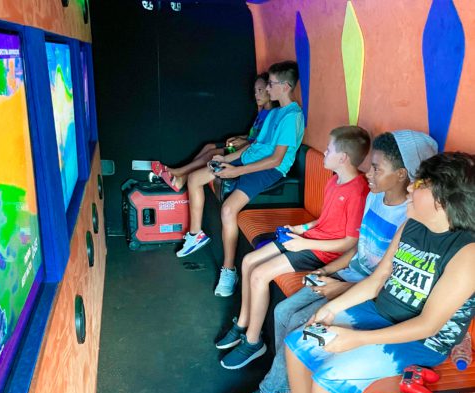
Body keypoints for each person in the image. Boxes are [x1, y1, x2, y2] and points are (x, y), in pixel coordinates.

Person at [244, 130, 438, 393]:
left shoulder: (409, 217)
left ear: (403, 175)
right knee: (282, 310)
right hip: (346, 275)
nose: (367, 173)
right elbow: (358, 248)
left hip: (361, 289)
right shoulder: (374, 197)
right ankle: (287, 388)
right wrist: (326, 271)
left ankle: (268, 391)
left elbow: (385, 282)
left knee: (300, 322)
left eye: (376, 168)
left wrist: (339, 287)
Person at [285, 152, 475, 393]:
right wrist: (332, 308)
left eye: (419, 184)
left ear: (442, 199)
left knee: (328, 381)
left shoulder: (467, 251)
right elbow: (377, 280)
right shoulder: (411, 224)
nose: (408, 187)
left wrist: (357, 339)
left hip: (423, 341)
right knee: (296, 345)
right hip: (379, 312)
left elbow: (428, 325)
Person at [216, 126, 371, 370]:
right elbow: (323, 221)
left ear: (343, 158)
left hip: (323, 251)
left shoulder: (359, 190)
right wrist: (301, 228)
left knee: (259, 274)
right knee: (248, 262)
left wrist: (304, 242)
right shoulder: (334, 180)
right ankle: (242, 324)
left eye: (329, 149)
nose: (325, 152)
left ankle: (254, 341)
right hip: (310, 239)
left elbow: (349, 243)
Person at [175, 61, 304, 296]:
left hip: (268, 170)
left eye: (272, 85)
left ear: (285, 87)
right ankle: (195, 235)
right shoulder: (274, 112)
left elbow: (276, 160)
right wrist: (228, 161)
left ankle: (229, 270)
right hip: (248, 161)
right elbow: (253, 146)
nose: (268, 89)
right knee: (195, 177)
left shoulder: (292, 117)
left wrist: (235, 171)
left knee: (227, 210)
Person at [151, 72, 276, 191]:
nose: (256, 94)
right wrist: (240, 137)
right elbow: (254, 133)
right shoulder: (261, 111)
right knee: (208, 146)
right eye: (255, 91)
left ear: (269, 90)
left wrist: (243, 141)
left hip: (247, 149)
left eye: (260, 90)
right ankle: (181, 177)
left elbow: (260, 141)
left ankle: (178, 173)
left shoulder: (273, 114)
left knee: (211, 154)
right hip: (244, 143)